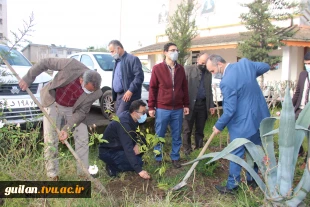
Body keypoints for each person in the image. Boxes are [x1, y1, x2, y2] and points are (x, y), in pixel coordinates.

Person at [19, 58, 103, 181]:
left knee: (83, 137)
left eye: (92, 91)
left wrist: (66, 129)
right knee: (50, 139)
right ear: (81, 80)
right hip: (54, 103)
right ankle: (52, 174)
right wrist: (28, 78)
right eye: (88, 89)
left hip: (73, 110)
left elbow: (81, 112)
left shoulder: (96, 93)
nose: (90, 92)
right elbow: (45, 62)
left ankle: (83, 173)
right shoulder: (71, 65)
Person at [206, 54, 270, 194]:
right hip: (259, 118)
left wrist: (219, 125)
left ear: (220, 65)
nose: (213, 74)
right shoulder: (245, 65)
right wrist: (250, 74)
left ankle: (232, 186)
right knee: (254, 150)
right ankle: (252, 181)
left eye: (212, 71)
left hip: (242, 123)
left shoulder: (227, 81)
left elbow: (229, 110)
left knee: (236, 153)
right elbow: (266, 66)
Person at [148, 42, 190, 168]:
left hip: (177, 108)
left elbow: (184, 88)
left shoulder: (181, 69)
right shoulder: (157, 68)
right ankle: (158, 158)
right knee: (159, 134)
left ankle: (175, 157)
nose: (175, 52)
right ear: (165, 52)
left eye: (176, 50)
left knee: (176, 135)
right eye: (172, 50)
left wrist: (186, 104)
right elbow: (153, 88)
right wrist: (151, 107)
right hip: (162, 108)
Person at [98, 100, 151, 179]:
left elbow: (136, 135)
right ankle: (112, 167)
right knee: (139, 162)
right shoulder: (124, 124)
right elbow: (128, 147)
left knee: (143, 143)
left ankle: (128, 161)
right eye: (143, 113)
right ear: (134, 113)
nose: (145, 115)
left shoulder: (132, 118)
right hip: (109, 150)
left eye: (145, 112)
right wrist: (139, 171)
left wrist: (137, 144)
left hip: (119, 145)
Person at [182, 53, 215, 155]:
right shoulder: (188, 70)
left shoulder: (208, 73)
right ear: (197, 61)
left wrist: (211, 105)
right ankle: (187, 151)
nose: (204, 65)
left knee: (200, 129)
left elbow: (209, 89)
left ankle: (199, 150)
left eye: (206, 63)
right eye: (202, 63)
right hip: (189, 105)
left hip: (203, 105)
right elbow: (182, 88)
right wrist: (183, 104)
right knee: (187, 129)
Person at [108, 40, 144, 116]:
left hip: (127, 95)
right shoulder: (117, 61)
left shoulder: (132, 59)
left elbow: (139, 77)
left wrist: (130, 90)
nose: (111, 54)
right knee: (122, 119)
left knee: (120, 118)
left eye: (112, 51)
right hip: (119, 96)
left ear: (118, 48)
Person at [292, 51, 310, 160]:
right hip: (300, 109)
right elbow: (298, 92)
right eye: (306, 63)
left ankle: (308, 158)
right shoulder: (303, 74)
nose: (307, 66)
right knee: (290, 129)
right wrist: (290, 107)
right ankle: (300, 151)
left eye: (309, 63)